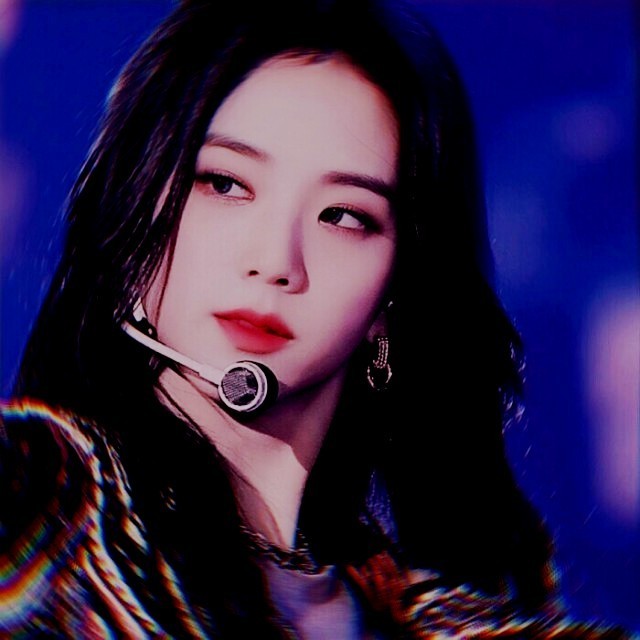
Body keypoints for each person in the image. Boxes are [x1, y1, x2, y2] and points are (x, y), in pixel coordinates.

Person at [0, 0, 632, 637]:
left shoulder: (454, 619)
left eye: (344, 216)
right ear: (137, 215)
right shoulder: (37, 511)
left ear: (392, 297)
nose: (277, 262)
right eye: (226, 184)